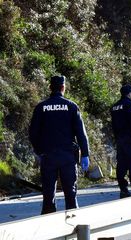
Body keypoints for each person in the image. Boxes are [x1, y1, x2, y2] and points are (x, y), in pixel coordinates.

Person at [29, 75, 90, 214]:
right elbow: (81, 133)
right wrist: (85, 154)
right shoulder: (71, 106)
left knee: (48, 193)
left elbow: (33, 133)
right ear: (63, 87)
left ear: (50, 87)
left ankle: (49, 225)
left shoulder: (41, 107)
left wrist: (39, 151)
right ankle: (73, 222)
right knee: (70, 193)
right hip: (67, 156)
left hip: (48, 156)